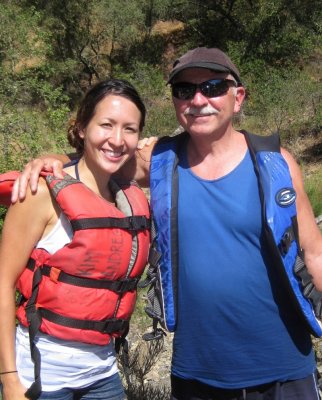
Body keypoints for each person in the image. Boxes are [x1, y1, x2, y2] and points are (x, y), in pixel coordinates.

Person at [10, 47, 322, 400]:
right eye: (185, 90)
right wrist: (48, 159)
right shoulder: (159, 161)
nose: (199, 99)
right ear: (175, 101)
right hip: (197, 374)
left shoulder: (275, 163)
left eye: (215, 86)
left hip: (284, 368)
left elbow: (314, 254)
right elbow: (97, 158)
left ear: (238, 98)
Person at [0, 79, 151, 400]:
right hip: (39, 377)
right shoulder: (40, 193)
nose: (117, 139)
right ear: (82, 127)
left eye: (129, 129)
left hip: (102, 373)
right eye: (106, 125)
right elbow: (2, 284)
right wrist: (10, 379)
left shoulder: (127, 194)